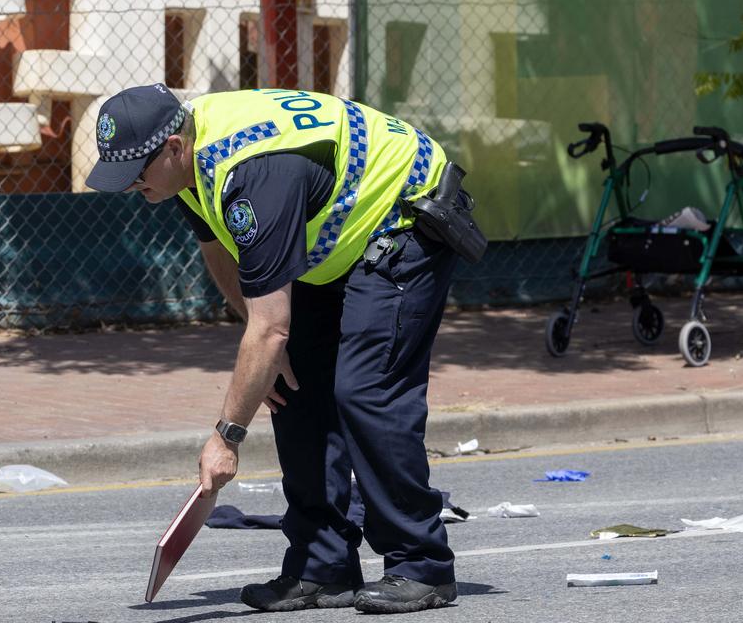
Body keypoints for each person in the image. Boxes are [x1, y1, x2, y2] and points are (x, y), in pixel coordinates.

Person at [85, 84, 471, 614]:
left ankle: (422, 565)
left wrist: (227, 437)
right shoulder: (188, 165)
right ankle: (323, 565)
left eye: (137, 173)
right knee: (292, 387)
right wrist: (264, 343)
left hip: (405, 212)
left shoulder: (252, 173)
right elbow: (221, 250)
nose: (131, 186)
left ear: (173, 147)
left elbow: (271, 328)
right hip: (338, 229)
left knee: (366, 389)